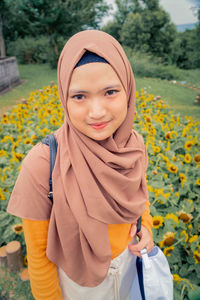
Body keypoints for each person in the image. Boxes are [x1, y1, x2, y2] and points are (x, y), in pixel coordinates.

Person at [7, 30, 154, 300]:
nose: (96, 112)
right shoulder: (42, 163)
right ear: (64, 96)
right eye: (79, 97)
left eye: (110, 91)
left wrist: (147, 228)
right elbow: (39, 256)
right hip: (80, 285)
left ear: (128, 89)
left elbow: (139, 198)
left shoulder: (133, 145)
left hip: (131, 266)